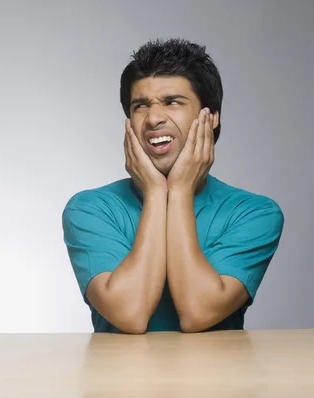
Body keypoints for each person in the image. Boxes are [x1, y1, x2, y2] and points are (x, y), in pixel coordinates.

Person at [61, 38, 284, 334]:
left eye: (172, 102)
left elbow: (197, 312)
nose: (153, 118)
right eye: (140, 106)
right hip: (120, 380)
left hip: (217, 380)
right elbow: (130, 313)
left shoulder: (253, 213)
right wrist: (156, 192)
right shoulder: (91, 209)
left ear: (212, 117)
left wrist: (178, 191)